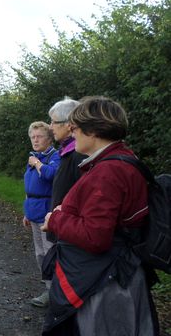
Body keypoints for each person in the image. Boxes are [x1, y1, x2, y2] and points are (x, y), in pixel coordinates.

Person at [41, 96, 158, 335]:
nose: (72, 134)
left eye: (74, 128)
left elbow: (95, 237)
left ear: (93, 130)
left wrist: (56, 219)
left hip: (104, 281)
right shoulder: (122, 159)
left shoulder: (109, 171)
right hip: (116, 272)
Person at [22, 121, 60, 308]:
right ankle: (49, 287)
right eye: (32, 137)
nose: (35, 140)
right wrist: (26, 213)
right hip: (34, 211)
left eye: (39, 137)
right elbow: (29, 187)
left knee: (49, 253)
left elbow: (51, 175)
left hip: (47, 214)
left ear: (49, 138)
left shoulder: (55, 156)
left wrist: (37, 163)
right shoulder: (33, 157)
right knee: (40, 254)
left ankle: (54, 292)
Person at [47, 97, 87, 243]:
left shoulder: (79, 155)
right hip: (62, 228)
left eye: (53, 122)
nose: (50, 127)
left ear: (68, 125)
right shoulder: (66, 152)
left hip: (70, 236)